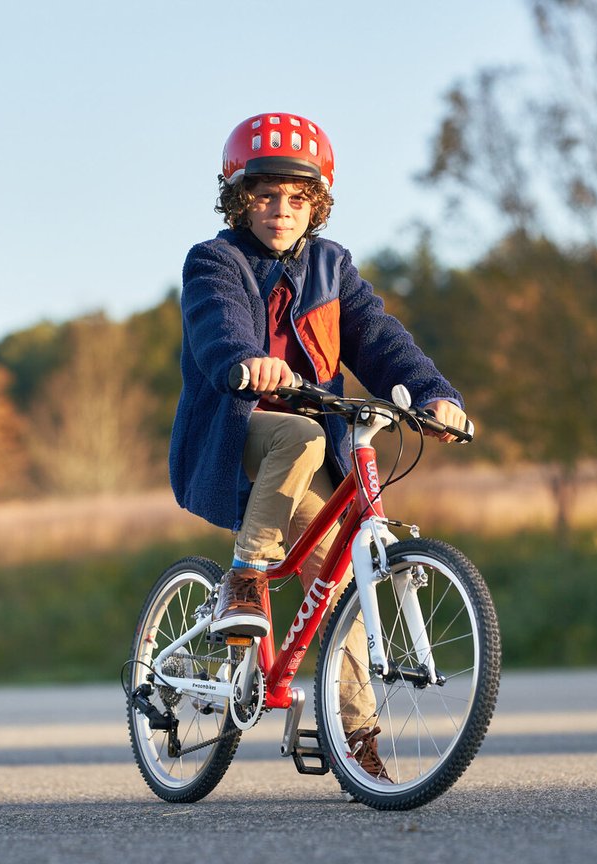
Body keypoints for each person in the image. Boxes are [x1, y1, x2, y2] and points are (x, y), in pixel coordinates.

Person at [168, 112, 468, 781]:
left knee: (341, 577)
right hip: (236, 430)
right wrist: (248, 360)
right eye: (265, 195)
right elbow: (217, 326)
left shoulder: (333, 269)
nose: (280, 210)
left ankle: (354, 736)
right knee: (300, 433)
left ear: (317, 204)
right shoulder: (214, 261)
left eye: (297, 199)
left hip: (305, 451)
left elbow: (378, 337)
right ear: (238, 199)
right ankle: (246, 576)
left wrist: (431, 393)